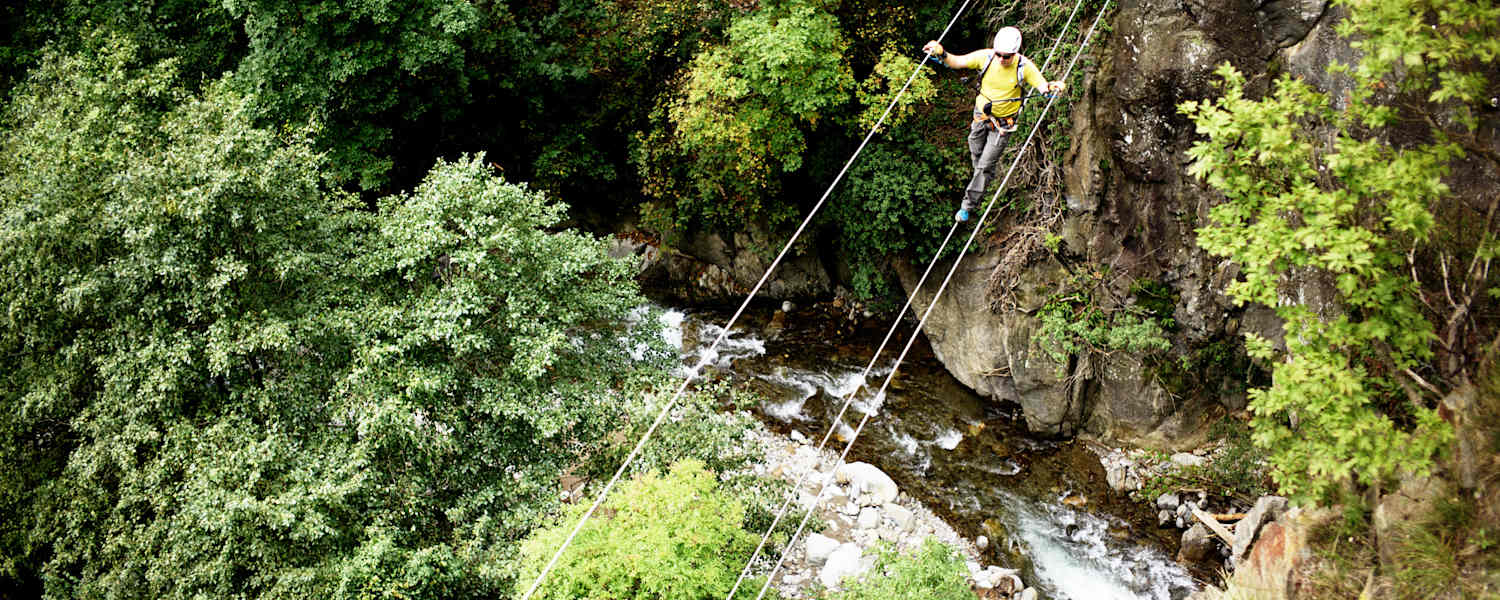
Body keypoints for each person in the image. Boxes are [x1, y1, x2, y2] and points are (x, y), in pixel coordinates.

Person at [924, 27, 1065, 222]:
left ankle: (967, 205)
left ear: (1015, 53)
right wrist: (941, 52)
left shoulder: (1023, 67)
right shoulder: (987, 57)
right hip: (981, 116)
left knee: (983, 167)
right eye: (998, 54)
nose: (1001, 59)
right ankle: (985, 174)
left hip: (1003, 126)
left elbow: (1043, 87)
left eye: (1006, 56)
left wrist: (1053, 88)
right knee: (975, 152)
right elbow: (957, 62)